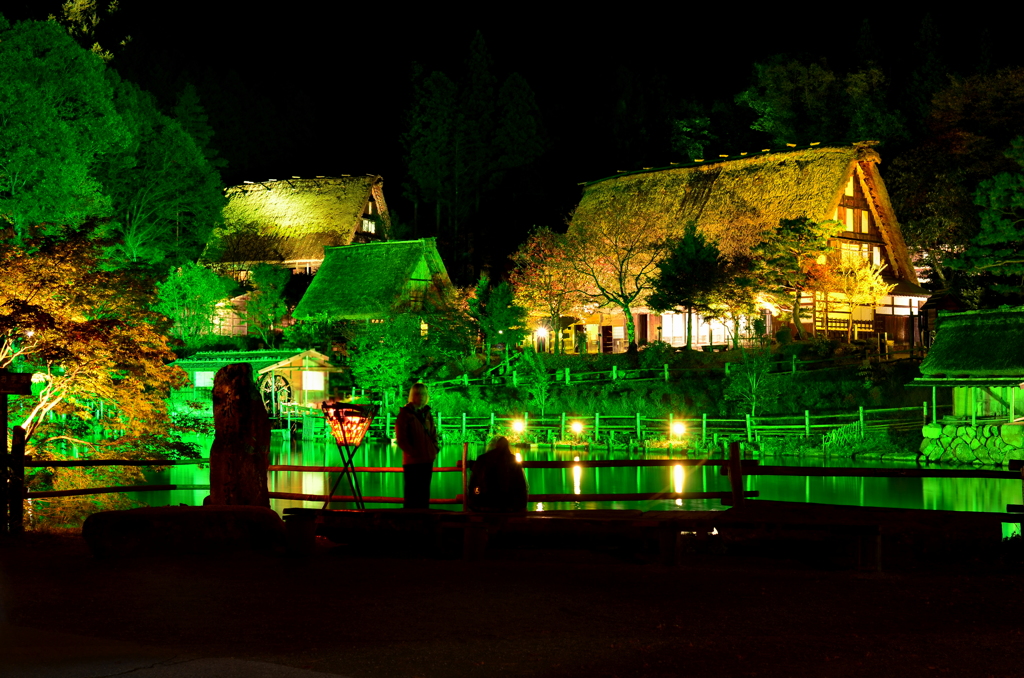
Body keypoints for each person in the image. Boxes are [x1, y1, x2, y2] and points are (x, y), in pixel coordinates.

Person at [394, 383, 438, 509]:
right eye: (418, 394)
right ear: (413, 395)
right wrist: (413, 452)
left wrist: (434, 449)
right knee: (412, 495)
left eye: (424, 394)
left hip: (427, 459)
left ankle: (423, 521)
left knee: (424, 494)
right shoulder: (406, 415)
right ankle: (410, 522)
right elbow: (401, 439)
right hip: (412, 461)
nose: (422, 397)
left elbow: (433, 434)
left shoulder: (427, 413)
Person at [467, 436, 528, 513]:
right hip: (508, 506)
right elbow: (521, 485)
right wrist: (522, 506)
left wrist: (472, 502)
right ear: (507, 447)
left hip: (483, 504)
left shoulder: (482, 459)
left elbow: (472, 483)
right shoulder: (512, 460)